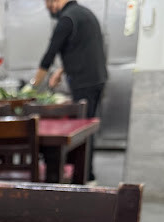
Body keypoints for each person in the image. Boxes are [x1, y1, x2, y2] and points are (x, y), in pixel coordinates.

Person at [32, 0, 107, 183]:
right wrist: (61, 71)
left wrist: (33, 87)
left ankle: (84, 177)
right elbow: (82, 49)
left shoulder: (67, 19)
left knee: (81, 131)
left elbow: (49, 55)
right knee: (87, 128)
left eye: (49, 5)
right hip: (97, 78)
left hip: (84, 82)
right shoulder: (85, 14)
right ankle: (85, 174)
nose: (50, 10)